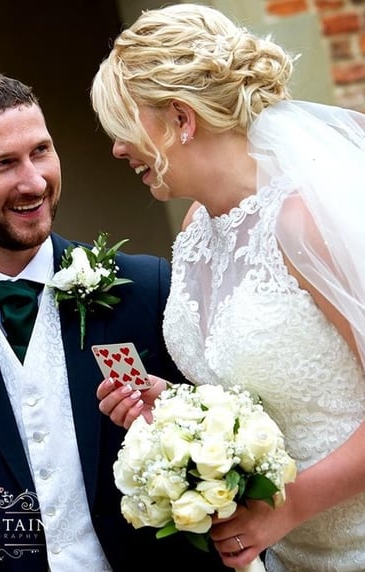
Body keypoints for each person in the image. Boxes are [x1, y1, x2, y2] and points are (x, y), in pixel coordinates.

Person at [0, 70, 226, 571]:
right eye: (3, 164)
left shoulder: (144, 288)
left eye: (41, 151)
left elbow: (215, 446)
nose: (33, 181)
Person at [91, 4, 365, 571]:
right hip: (285, 556)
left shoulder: (302, 222)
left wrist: (289, 506)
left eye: (124, 124)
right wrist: (175, 410)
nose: (116, 148)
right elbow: (251, 390)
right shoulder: (196, 230)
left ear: (181, 118)